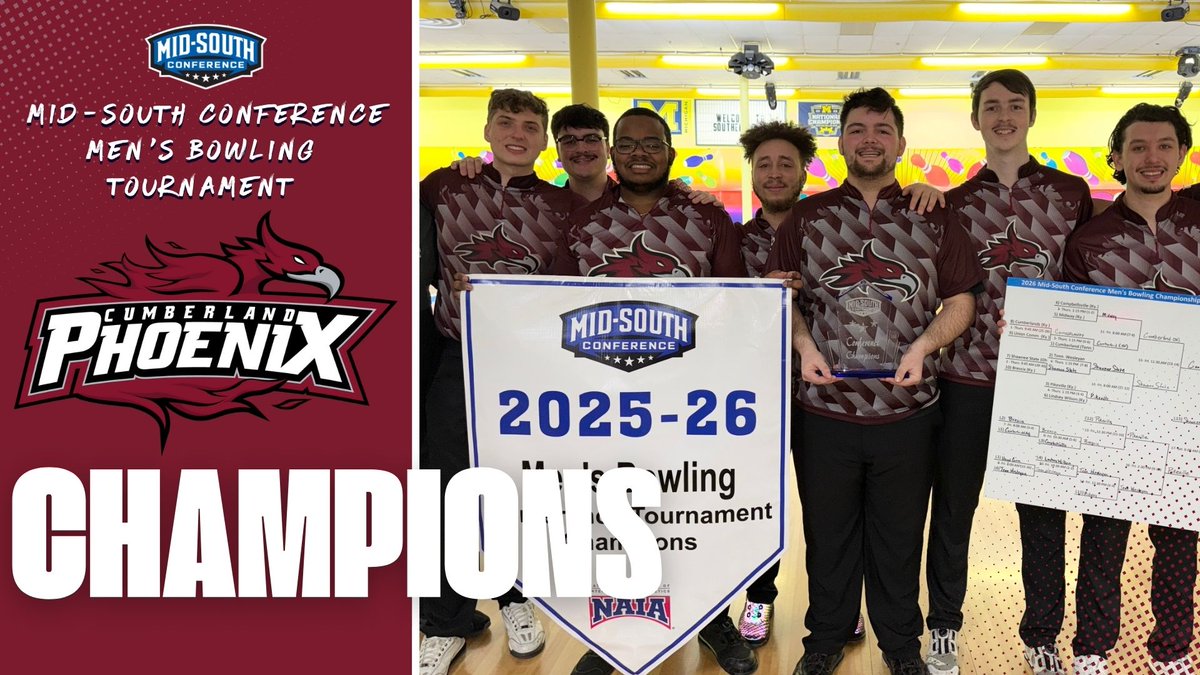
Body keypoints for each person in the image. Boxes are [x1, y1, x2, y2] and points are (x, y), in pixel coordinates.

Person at [767, 87, 984, 675]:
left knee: (897, 539)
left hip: (908, 413)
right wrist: (805, 345)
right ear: (840, 140)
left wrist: (923, 345)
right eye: (858, 128)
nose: (869, 138)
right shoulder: (807, 217)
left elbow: (961, 300)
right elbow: (779, 296)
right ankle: (824, 640)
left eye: (882, 129)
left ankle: (900, 644)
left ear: (900, 142)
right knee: (829, 537)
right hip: (825, 411)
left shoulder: (933, 215)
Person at [567, 106, 755, 675]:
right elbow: (546, 301)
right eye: (627, 144)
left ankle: (714, 621)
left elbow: (734, 300)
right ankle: (614, 636)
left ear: (670, 151)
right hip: (608, 398)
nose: (639, 153)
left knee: (692, 516)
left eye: (652, 143)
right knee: (618, 520)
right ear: (613, 154)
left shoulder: (707, 218)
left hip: (688, 400)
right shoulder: (582, 223)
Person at [417, 88, 588, 675]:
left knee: (516, 491)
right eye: (506, 122)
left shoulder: (563, 206)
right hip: (455, 360)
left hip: (528, 369)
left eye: (530, 125)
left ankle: (517, 598)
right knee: (445, 492)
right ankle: (445, 620)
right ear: (487, 131)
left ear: (544, 141)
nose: (518, 133)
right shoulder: (444, 187)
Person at [930, 70, 1093, 675]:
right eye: (991, 107)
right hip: (967, 377)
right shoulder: (952, 203)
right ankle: (944, 626)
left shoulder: (1072, 193)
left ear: (1031, 115)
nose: (1003, 116)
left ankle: (1041, 636)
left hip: (1042, 381)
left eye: (1015, 106)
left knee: (1044, 515)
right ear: (975, 119)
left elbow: (1086, 286)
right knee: (953, 510)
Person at [1060, 102, 1199, 675]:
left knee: (1178, 543)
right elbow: (1071, 321)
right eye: (1137, 147)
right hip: (1112, 412)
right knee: (1102, 539)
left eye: (1165, 145)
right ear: (1115, 157)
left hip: (1188, 412)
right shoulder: (1088, 239)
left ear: (1183, 154)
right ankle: (1092, 649)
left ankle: (1171, 651)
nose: (1152, 158)